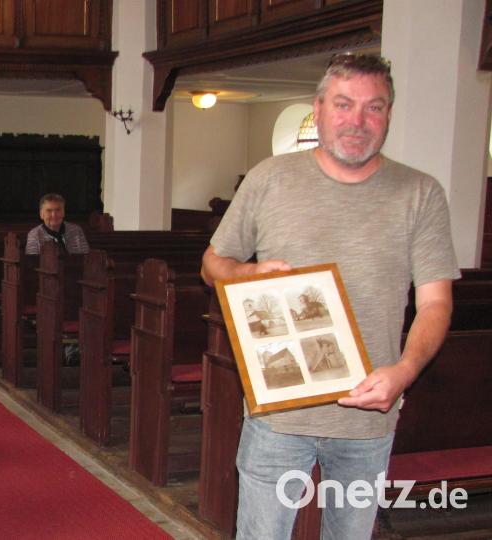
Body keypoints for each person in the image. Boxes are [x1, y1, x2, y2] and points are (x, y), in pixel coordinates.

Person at [200, 53, 459, 540]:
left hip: (368, 419)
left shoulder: (419, 193)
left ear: (389, 115)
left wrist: (404, 374)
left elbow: (436, 304)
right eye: (343, 105)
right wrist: (247, 272)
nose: (357, 121)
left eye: (373, 107)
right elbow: (212, 264)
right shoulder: (269, 179)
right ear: (317, 109)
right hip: (278, 414)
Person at [24, 193, 89, 255]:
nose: (54, 215)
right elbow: (32, 262)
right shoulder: (34, 235)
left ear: (63, 212)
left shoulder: (76, 230)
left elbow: (86, 257)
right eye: (49, 211)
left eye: (58, 210)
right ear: (41, 214)